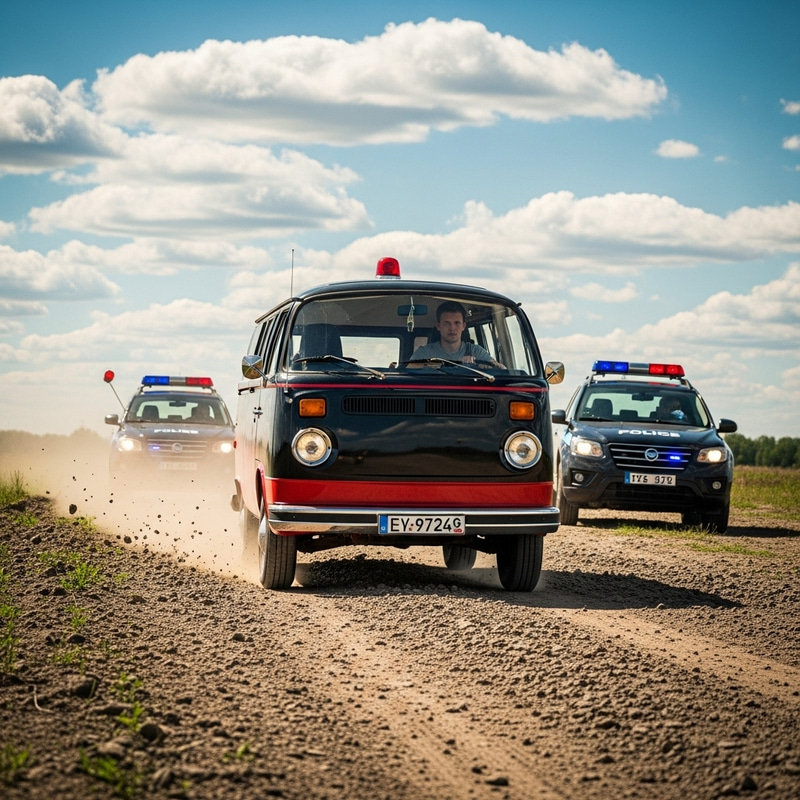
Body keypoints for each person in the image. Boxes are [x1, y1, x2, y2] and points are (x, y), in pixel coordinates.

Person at [411, 301, 504, 367]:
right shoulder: (424, 353)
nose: (452, 328)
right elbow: (408, 375)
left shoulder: (475, 351)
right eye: (447, 323)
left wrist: (479, 364)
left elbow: (502, 370)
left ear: (463, 326)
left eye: (457, 323)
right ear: (438, 326)